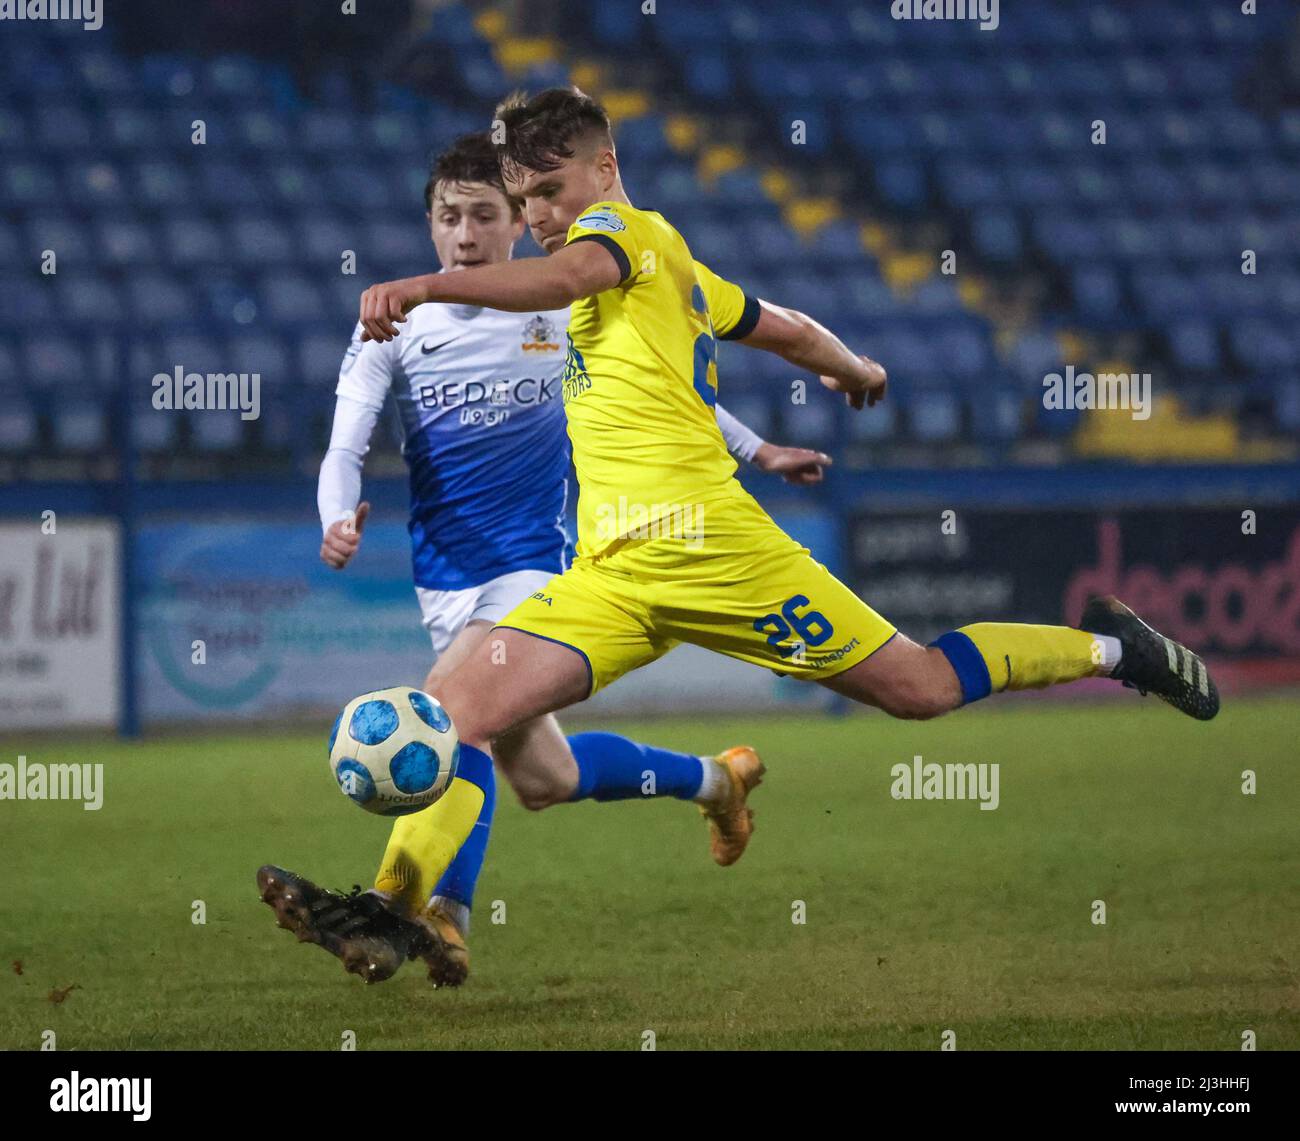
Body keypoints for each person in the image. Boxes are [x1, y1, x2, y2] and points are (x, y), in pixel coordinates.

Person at [264, 87, 1218, 984]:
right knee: (458, 712)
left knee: (920, 688)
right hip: (612, 575)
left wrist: (426, 284)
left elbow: (567, 268)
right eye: (526, 198)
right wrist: (855, 368)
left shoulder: (617, 237)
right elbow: (780, 323)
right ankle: (394, 907)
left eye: (548, 192)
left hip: (721, 555)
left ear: (605, 167)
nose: (542, 213)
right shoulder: (672, 272)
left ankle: (1110, 645)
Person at [260, 132, 832, 986]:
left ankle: (397, 910)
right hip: (446, 580)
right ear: (429, 225)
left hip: (542, 566)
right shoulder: (393, 323)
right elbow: (345, 445)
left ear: (519, 226)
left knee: (454, 721)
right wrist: (335, 514)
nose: (464, 234)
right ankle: (715, 782)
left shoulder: (564, 308)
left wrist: (758, 451)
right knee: (545, 776)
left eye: (484, 215)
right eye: (448, 217)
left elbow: (665, 388)